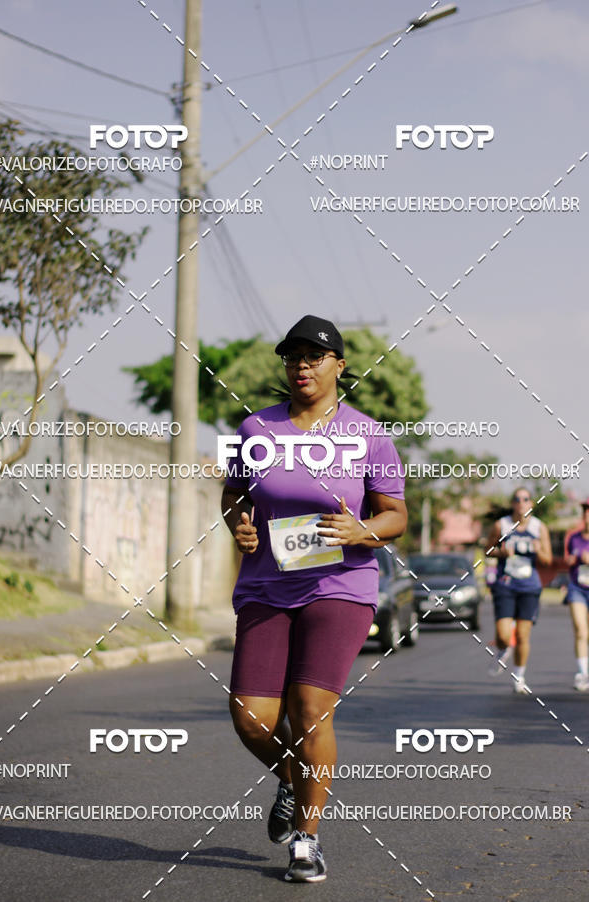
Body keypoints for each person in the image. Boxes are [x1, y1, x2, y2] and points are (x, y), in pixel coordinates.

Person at [220, 315, 407, 882]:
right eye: (292, 356)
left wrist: (360, 530)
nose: (301, 365)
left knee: (308, 711)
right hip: (267, 584)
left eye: (314, 356)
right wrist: (238, 524)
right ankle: (292, 779)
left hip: (340, 585)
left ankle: (306, 840)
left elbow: (396, 515)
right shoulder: (256, 429)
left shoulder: (367, 435)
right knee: (250, 717)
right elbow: (234, 493)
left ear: (339, 366)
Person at [485, 488, 552, 693]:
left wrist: (539, 550)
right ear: (513, 504)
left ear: (531, 503)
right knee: (503, 636)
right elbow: (487, 550)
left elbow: (548, 560)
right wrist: (502, 552)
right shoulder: (502, 525)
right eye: (517, 499)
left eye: (525, 499)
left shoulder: (539, 527)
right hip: (505, 585)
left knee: (523, 636)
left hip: (529, 587)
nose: (521, 503)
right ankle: (504, 647)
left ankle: (519, 676)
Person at [563, 498, 589, 691]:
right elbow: (567, 559)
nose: (587, 514)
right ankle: (582, 674)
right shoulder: (574, 538)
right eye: (585, 511)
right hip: (577, 588)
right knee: (581, 630)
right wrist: (572, 559)